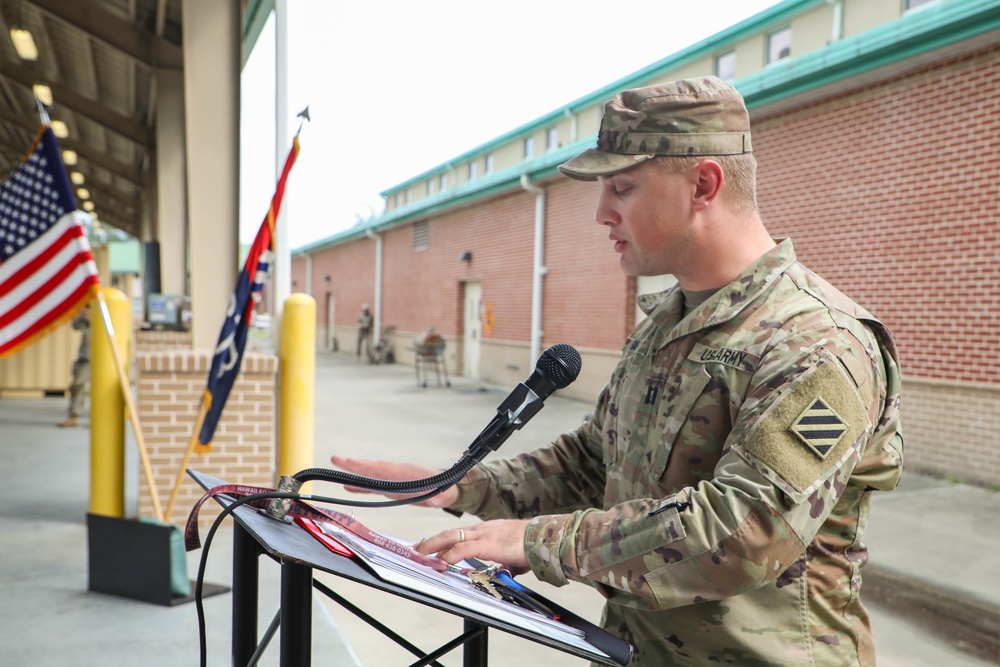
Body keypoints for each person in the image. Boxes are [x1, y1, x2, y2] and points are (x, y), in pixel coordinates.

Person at [333, 77, 903, 666]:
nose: (602, 213)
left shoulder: (817, 342)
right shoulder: (664, 326)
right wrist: (456, 486)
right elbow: (592, 462)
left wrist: (535, 541)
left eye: (623, 188)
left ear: (703, 185)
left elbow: (741, 532)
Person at [59, 304, 90, 427]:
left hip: (103, 357)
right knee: (77, 384)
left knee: (104, 389)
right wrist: (84, 317)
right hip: (85, 356)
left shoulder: (107, 306)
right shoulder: (88, 305)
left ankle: (104, 418)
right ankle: (73, 416)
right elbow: (76, 325)